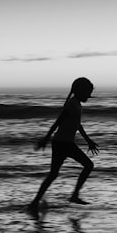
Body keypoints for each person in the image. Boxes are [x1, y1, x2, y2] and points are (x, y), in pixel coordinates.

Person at [29, 77, 99, 214]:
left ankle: (35, 202)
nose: (89, 96)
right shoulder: (71, 104)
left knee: (54, 174)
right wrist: (46, 139)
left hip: (65, 143)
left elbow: (77, 124)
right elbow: (57, 123)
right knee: (87, 166)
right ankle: (73, 196)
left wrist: (88, 140)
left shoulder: (76, 104)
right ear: (79, 91)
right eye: (87, 92)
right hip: (62, 144)